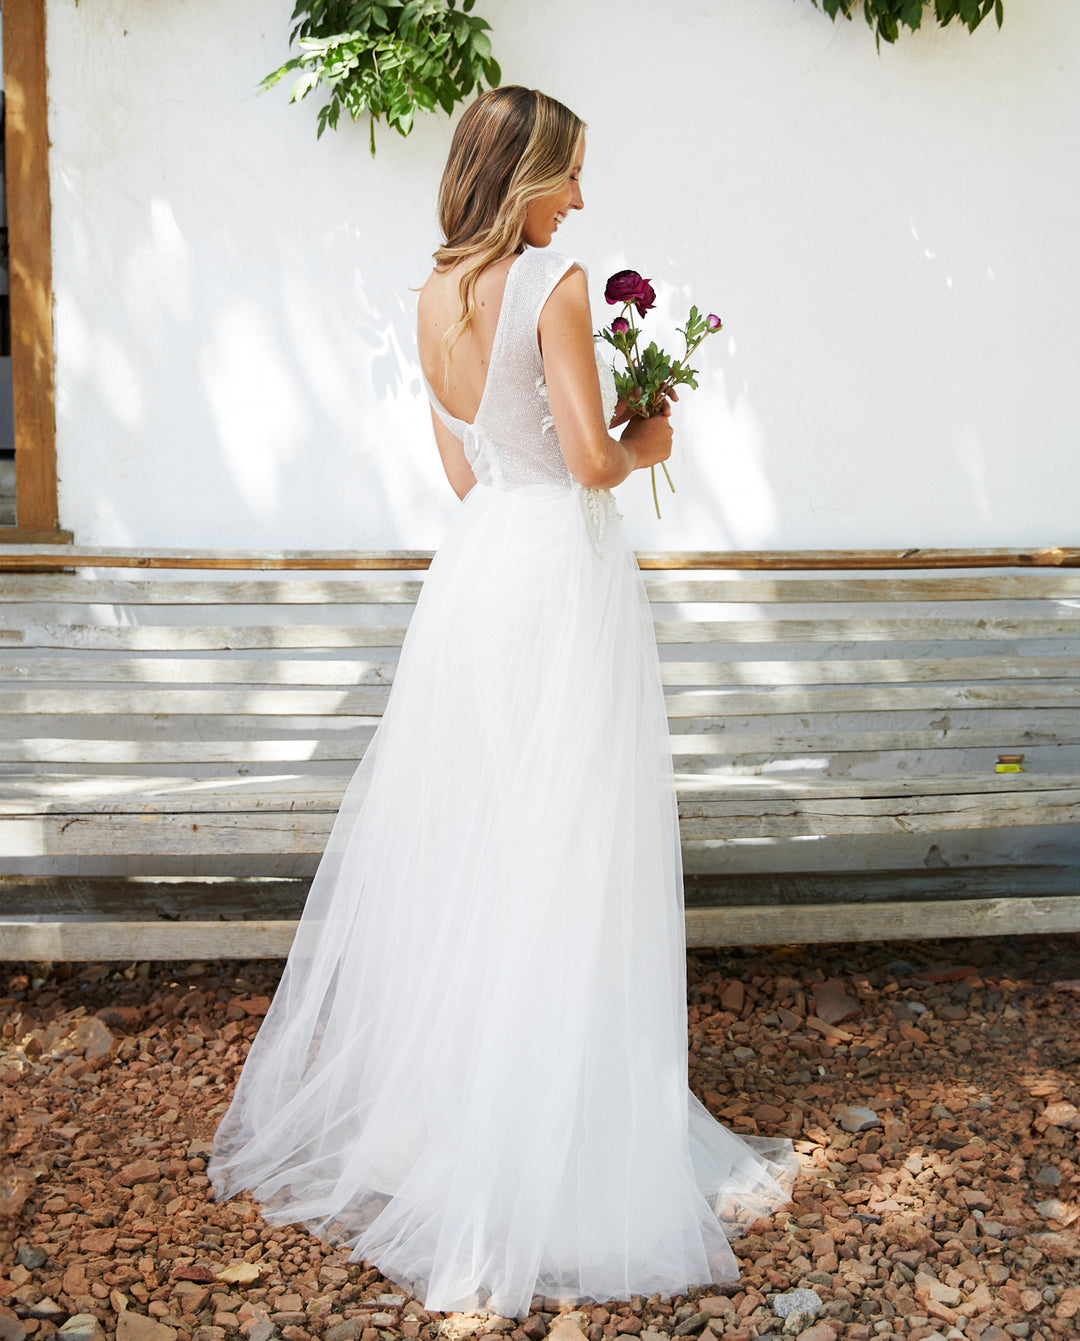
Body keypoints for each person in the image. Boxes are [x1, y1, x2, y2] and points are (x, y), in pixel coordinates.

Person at [208, 85, 798, 1320]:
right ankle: (556, 1128)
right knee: (565, 840)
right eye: (569, 173)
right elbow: (588, 465)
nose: (580, 197)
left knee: (484, 842)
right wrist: (649, 438)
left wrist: (580, 442)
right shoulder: (554, 285)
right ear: (524, 176)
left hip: (478, 576)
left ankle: (455, 1111)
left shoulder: (433, 295)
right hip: (557, 583)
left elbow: (465, 470)